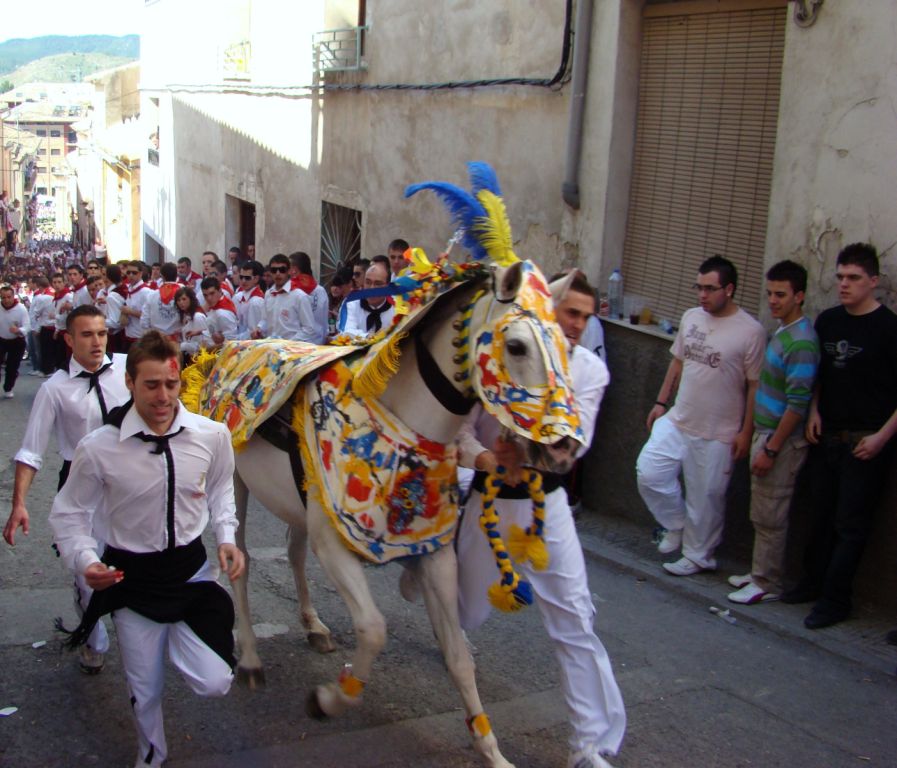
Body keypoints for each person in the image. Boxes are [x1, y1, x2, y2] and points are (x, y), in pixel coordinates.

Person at [49, 331, 244, 768]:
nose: (163, 396)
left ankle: (177, 637)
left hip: (192, 576)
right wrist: (86, 561)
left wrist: (227, 538)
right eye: (151, 385)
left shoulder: (210, 436)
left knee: (215, 681)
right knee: (146, 687)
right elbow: (68, 514)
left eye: (171, 385)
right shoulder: (99, 447)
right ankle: (151, 757)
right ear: (131, 383)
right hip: (131, 579)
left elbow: (219, 491)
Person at [456, 272, 625, 768]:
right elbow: (461, 430)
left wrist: (526, 450)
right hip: (486, 501)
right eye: (569, 312)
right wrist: (487, 458)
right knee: (464, 611)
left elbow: (572, 450)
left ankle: (588, 746)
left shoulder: (589, 371)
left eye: (584, 317)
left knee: (574, 620)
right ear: (546, 308)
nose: (576, 325)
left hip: (546, 508)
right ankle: (432, 574)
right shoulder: (494, 352)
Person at [4, 305, 131, 673]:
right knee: (85, 571)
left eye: (102, 333)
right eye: (87, 335)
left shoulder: (126, 370)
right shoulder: (54, 389)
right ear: (68, 339)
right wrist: (19, 504)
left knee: (131, 563)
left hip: (129, 480)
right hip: (80, 484)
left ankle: (136, 635)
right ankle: (93, 637)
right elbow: (31, 450)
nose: (97, 342)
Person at [783, 243, 897, 629]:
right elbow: (819, 376)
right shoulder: (828, 322)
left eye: (854, 278)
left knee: (851, 525)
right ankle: (811, 583)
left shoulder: (889, 328)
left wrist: (881, 437)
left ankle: (835, 601)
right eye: (840, 277)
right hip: (827, 437)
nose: (844, 285)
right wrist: (814, 410)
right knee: (820, 517)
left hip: (867, 443)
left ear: (874, 282)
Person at [636, 255, 766, 576]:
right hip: (679, 418)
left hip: (719, 430)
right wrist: (660, 402)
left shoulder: (751, 332)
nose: (702, 295)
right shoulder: (691, 317)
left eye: (710, 288)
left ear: (730, 289)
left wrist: (746, 432)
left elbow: (754, 387)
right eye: (699, 287)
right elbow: (677, 362)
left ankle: (699, 556)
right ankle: (675, 523)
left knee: (706, 498)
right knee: (649, 471)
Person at [727, 261, 820, 605]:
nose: (773, 301)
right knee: (761, 509)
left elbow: (798, 404)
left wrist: (772, 448)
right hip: (764, 434)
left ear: (799, 296)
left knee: (772, 512)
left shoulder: (803, 342)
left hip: (780, 442)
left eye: (781, 294)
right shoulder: (783, 331)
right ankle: (758, 571)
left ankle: (768, 581)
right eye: (769, 294)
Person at [262, 254, 317, 341]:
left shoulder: (299, 296)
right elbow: (265, 319)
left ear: (289, 271)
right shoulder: (268, 294)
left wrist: (289, 343)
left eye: (282, 270)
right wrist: (259, 328)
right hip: (271, 348)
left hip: (291, 350)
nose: (278, 273)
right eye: (274, 270)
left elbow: (309, 329)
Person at [341, 259, 394, 337]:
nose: (371, 288)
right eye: (368, 282)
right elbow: (348, 331)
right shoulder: (353, 305)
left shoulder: (396, 310)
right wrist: (368, 337)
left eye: (378, 284)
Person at [289, 251, 328, 343]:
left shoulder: (291, 291)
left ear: (294, 270)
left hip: (294, 344)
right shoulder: (320, 290)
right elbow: (324, 321)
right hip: (318, 343)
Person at [0, 284, 30, 398]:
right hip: (1, 339)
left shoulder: (21, 309)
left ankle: (8, 388)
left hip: (16, 341)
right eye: (3, 297)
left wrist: (19, 330)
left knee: (12, 367)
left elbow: (27, 326)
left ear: (13, 297)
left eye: (9, 297)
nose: (6, 300)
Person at [140, 262, 182, 338]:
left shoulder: (151, 295)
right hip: (178, 341)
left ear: (162, 276)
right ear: (177, 275)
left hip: (157, 340)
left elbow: (144, 322)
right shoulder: (184, 293)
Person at [120, 261, 152, 351]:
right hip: (129, 335)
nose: (130, 275)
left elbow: (150, 316)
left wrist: (130, 312)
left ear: (141, 273)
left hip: (141, 338)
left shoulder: (146, 292)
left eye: (134, 273)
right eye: (128, 272)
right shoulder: (129, 289)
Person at [201, 277, 238, 347]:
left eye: (212, 293)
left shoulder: (223, 313)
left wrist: (211, 349)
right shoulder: (216, 305)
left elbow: (232, 341)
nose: (209, 298)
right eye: (205, 295)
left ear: (220, 291)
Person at [233, 260, 266, 340]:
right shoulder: (238, 296)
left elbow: (253, 331)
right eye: (241, 277)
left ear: (256, 279)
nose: (243, 281)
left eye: (247, 278)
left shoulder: (257, 301)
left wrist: (234, 339)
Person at [175, 287, 210, 360]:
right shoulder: (185, 316)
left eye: (184, 299)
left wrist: (183, 346)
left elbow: (205, 343)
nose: (181, 302)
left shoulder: (198, 317)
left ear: (191, 299)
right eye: (178, 300)